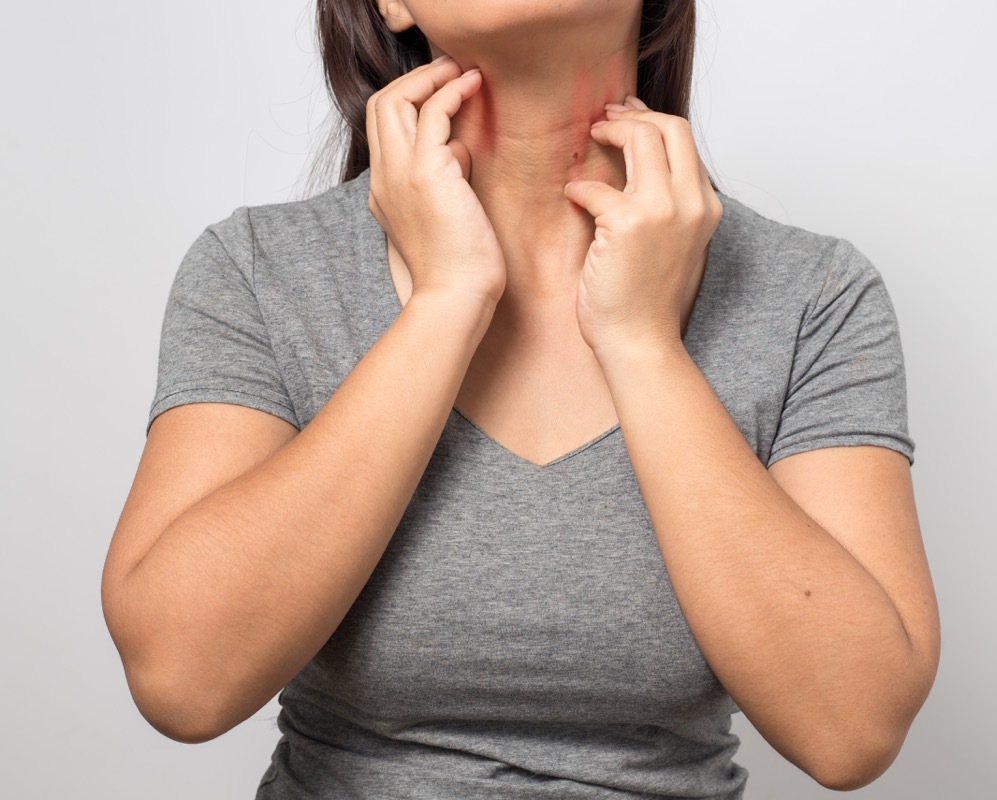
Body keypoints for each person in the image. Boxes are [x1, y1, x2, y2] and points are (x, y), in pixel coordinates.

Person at [101, 0, 941, 796]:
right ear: (391, 4)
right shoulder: (262, 271)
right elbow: (182, 682)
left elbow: (851, 731)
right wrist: (448, 301)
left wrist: (643, 342)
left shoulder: (811, 293)